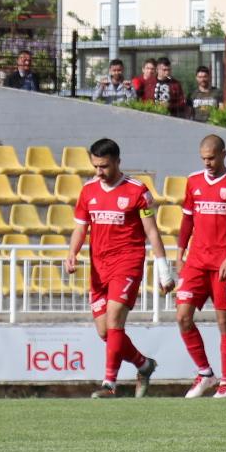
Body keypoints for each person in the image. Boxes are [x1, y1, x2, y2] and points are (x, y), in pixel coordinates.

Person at [65, 138, 170, 397]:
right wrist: (72, 253)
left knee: (113, 321)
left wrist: (163, 267)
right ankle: (144, 365)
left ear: (118, 162)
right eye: (95, 166)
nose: (99, 172)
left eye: (104, 166)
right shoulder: (88, 190)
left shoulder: (137, 191)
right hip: (98, 267)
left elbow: (151, 231)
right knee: (105, 331)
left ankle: (109, 385)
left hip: (127, 262)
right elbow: (81, 227)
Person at [172, 134, 226, 398]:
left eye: (211, 158)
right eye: (203, 158)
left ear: (223, 154)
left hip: (222, 263)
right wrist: (180, 252)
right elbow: (187, 220)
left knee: (223, 322)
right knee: (183, 317)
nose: (207, 163)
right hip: (196, 261)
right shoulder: (193, 181)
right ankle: (205, 373)